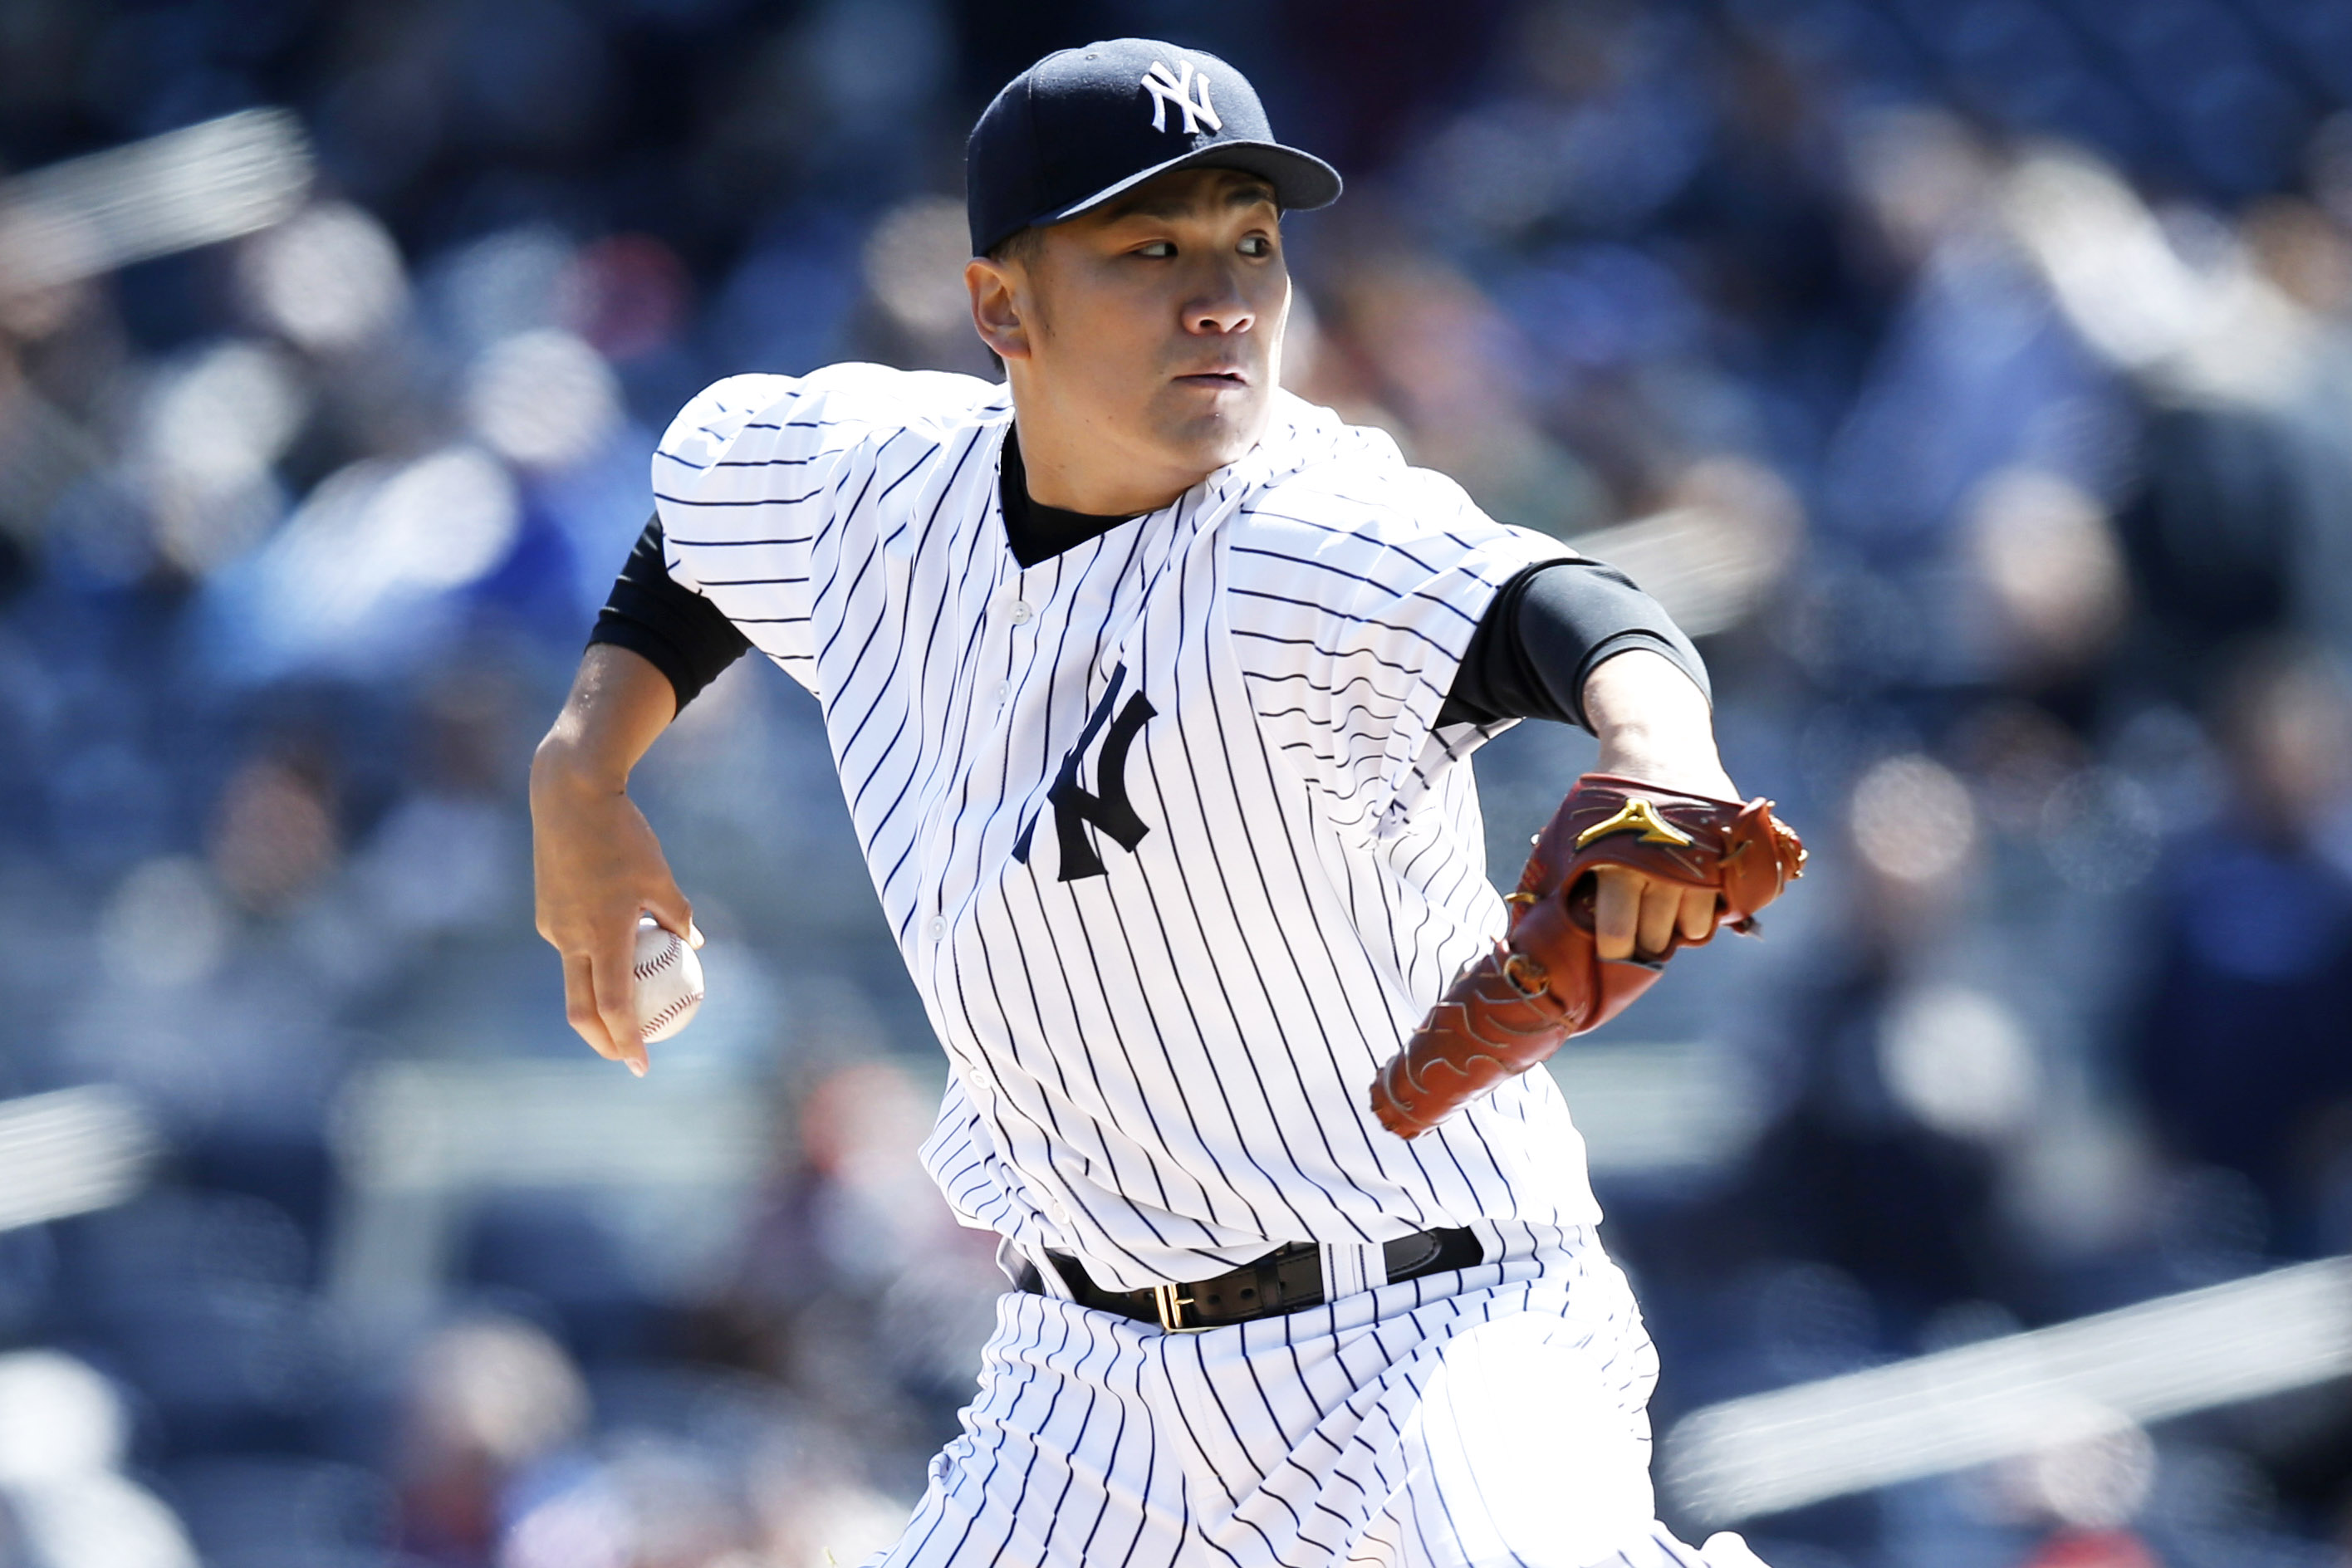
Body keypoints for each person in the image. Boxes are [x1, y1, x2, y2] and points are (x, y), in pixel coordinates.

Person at [532, 38, 1769, 1568]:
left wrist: (1663, 749)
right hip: (1089, 1388)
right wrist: (583, 770)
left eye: (1253, 242)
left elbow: (1570, 609)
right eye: (1150, 248)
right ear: (1002, 308)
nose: (1223, 297)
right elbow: (701, 519)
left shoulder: (1308, 532)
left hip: (1438, 1326)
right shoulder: (874, 487)